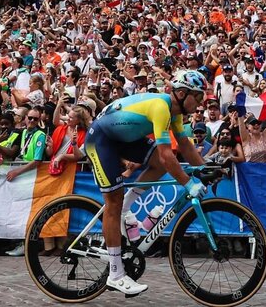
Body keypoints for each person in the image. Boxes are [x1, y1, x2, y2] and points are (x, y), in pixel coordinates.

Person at [83, 70, 208, 296]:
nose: (201, 102)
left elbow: (185, 146)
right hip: (101, 139)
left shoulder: (175, 112)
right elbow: (166, 155)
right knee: (113, 202)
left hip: (122, 138)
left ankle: (125, 208)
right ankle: (116, 275)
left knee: (155, 168)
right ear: (181, 93)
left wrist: (206, 169)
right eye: (198, 97)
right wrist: (189, 183)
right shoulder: (162, 107)